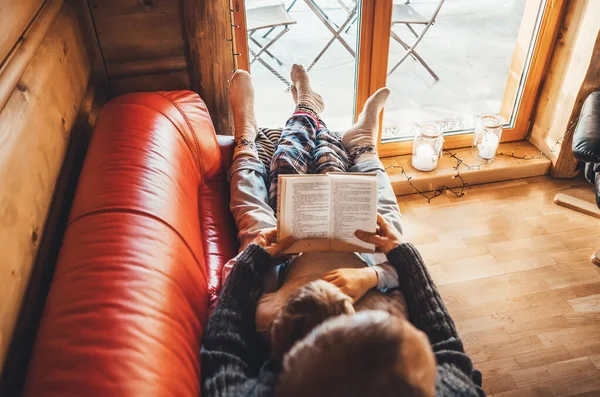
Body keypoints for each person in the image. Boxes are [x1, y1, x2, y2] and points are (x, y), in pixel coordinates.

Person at [200, 66, 485, 396]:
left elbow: (222, 350)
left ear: (290, 366)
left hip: (282, 276)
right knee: (386, 224)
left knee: (256, 224)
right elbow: (448, 349)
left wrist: (254, 261)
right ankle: (364, 146)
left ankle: (245, 140)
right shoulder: (452, 391)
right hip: (361, 266)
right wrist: (383, 268)